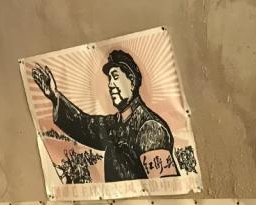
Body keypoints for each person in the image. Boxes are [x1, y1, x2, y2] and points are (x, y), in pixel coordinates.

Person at [32, 50, 180, 182]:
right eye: (109, 79)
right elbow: (82, 124)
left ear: (132, 81)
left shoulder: (150, 128)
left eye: (115, 77)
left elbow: (165, 186)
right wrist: (55, 96)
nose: (110, 84)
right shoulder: (113, 124)